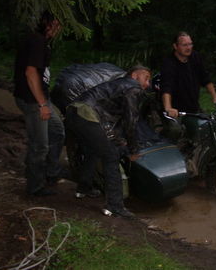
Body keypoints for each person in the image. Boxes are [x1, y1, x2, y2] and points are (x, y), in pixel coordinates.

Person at [65, 65, 151, 218]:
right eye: (146, 78)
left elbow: (110, 121)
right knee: (111, 156)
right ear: (135, 75)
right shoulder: (133, 88)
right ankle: (115, 206)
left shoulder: (117, 85)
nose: (147, 84)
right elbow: (130, 121)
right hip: (87, 114)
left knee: (94, 150)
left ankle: (84, 188)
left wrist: (119, 140)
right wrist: (133, 150)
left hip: (74, 112)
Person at [13, 11, 65, 196]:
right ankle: (35, 186)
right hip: (33, 100)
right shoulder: (37, 41)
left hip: (41, 97)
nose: (57, 29)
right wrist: (42, 104)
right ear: (46, 23)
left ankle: (51, 172)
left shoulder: (41, 41)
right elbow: (30, 72)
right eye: (55, 25)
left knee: (57, 131)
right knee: (40, 144)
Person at [160, 31, 216, 118]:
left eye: (190, 44)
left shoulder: (195, 57)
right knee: (175, 130)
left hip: (193, 108)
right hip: (175, 111)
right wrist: (168, 108)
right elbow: (166, 87)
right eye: (184, 45)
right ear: (175, 46)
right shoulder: (169, 63)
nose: (189, 48)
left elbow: (205, 78)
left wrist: (215, 96)